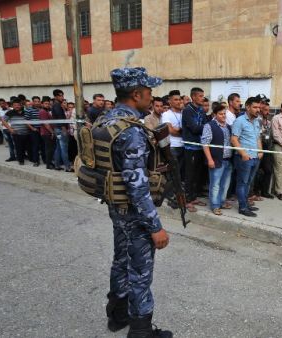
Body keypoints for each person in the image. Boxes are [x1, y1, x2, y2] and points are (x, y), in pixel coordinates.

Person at [90, 67, 172, 338]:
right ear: (136, 94)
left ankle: (117, 315)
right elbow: (136, 186)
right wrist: (155, 226)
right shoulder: (132, 131)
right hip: (135, 213)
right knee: (140, 272)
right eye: (149, 92)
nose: (152, 96)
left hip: (116, 207)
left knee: (120, 261)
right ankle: (141, 331)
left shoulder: (106, 119)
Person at [231, 96, 263, 217]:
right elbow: (234, 139)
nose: (258, 110)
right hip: (244, 158)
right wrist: (243, 154)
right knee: (242, 183)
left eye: (259, 107)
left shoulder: (256, 121)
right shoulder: (240, 121)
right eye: (255, 107)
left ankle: (246, 203)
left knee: (248, 182)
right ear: (248, 107)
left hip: (255, 157)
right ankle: (243, 207)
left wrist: (260, 151)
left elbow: (258, 137)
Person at [202, 104, 233, 215]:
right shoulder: (209, 126)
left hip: (228, 160)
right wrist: (210, 160)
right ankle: (215, 205)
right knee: (215, 184)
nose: (223, 116)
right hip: (216, 160)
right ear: (215, 115)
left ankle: (221, 202)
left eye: (224, 113)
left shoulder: (228, 127)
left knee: (225, 184)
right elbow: (205, 144)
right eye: (220, 114)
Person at [182, 87, 208, 211]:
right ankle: (187, 200)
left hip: (200, 146)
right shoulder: (188, 110)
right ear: (193, 97)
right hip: (190, 147)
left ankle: (194, 197)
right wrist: (207, 128)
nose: (203, 98)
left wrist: (205, 127)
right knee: (190, 175)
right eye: (200, 96)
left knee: (197, 174)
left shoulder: (201, 110)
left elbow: (203, 125)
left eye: (203, 96)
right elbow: (194, 128)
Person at [162, 90, 185, 181]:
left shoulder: (184, 113)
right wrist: (182, 132)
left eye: (179, 99)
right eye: (175, 100)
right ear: (169, 101)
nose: (178, 102)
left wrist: (178, 130)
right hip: (173, 146)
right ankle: (171, 193)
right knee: (174, 172)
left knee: (182, 172)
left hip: (184, 145)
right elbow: (170, 131)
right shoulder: (166, 114)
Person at [255, 99, 274, 198]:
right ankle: (255, 191)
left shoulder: (269, 122)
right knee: (257, 170)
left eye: (268, 110)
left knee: (268, 170)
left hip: (266, 147)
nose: (268, 112)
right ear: (261, 110)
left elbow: (269, 135)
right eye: (266, 110)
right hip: (258, 146)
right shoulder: (257, 121)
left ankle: (264, 191)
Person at [3, 98, 30, 165]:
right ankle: (21, 160)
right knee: (18, 147)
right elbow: (3, 121)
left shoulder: (25, 112)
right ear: (12, 106)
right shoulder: (10, 112)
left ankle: (27, 157)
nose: (17, 106)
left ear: (21, 105)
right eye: (15, 105)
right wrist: (10, 129)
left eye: (18, 105)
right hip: (16, 133)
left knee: (27, 147)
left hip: (27, 133)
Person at [51, 89, 72, 172]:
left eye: (62, 95)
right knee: (64, 149)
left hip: (57, 129)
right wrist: (64, 130)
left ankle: (57, 165)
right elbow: (61, 119)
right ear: (55, 97)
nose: (62, 97)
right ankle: (67, 167)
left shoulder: (56, 105)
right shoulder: (57, 106)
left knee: (58, 148)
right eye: (60, 95)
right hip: (60, 129)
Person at [25, 96, 43, 166]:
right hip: (34, 130)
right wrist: (32, 128)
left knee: (43, 145)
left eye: (38, 101)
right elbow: (26, 121)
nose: (37, 103)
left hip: (42, 129)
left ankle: (44, 159)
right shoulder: (28, 110)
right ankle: (36, 161)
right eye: (35, 101)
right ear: (32, 102)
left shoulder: (42, 109)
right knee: (35, 146)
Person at [39, 96, 55, 169]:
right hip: (46, 133)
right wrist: (52, 132)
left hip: (47, 133)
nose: (47, 105)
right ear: (42, 104)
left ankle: (49, 162)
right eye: (45, 103)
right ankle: (48, 164)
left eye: (48, 104)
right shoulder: (43, 112)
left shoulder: (46, 111)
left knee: (50, 149)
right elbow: (46, 124)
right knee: (49, 149)